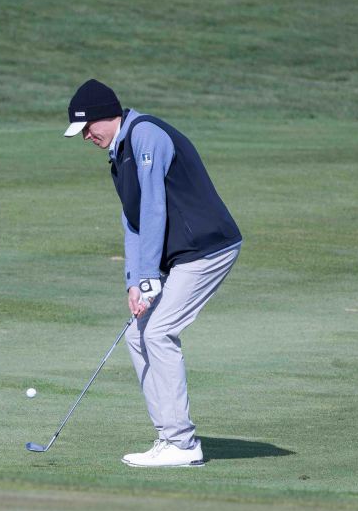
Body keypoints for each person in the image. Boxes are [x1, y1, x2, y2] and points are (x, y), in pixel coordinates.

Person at [63, 79, 242, 468]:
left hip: (208, 248)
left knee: (159, 332)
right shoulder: (120, 151)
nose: (86, 138)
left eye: (87, 129)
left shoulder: (146, 136)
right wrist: (134, 279)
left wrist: (149, 276)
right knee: (136, 334)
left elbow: (154, 209)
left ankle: (182, 442)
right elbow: (133, 220)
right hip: (184, 254)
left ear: (103, 117)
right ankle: (169, 436)